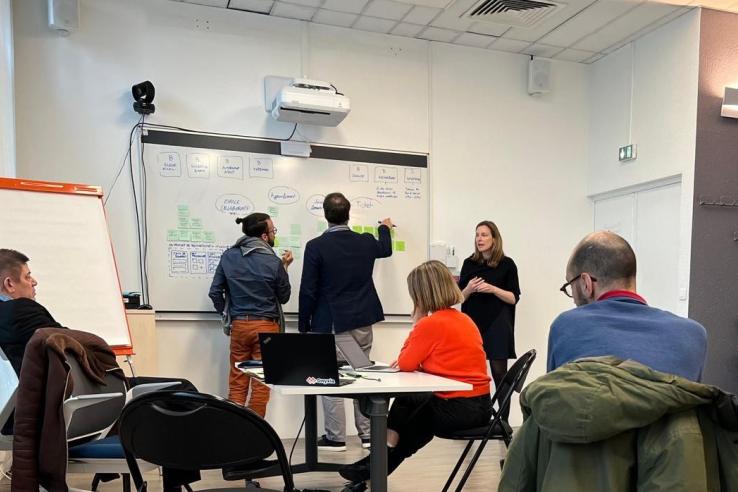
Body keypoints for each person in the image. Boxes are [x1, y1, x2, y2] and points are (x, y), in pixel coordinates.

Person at [339, 260, 493, 483]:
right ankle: (380, 460)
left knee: (415, 411)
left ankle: (381, 459)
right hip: (481, 405)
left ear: (421, 294)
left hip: (461, 409)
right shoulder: (463, 319)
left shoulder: (430, 324)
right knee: (411, 401)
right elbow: (437, 362)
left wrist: (418, 320)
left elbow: (406, 363)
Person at [299, 192, 393, 451]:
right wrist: (384, 228)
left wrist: (304, 323)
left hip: (331, 321)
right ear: (348, 214)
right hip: (362, 318)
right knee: (361, 372)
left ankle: (336, 437)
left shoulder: (316, 246)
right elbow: (385, 248)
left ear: (326, 215)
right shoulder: (365, 242)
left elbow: (308, 289)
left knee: (331, 376)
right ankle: (366, 435)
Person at [548, 231, 707, 381]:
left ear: (586, 283)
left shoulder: (566, 326)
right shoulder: (693, 334)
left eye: (571, 285)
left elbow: (550, 402)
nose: (573, 299)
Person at [209, 212, 292, 417]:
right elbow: (284, 297)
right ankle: (256, 438)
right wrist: (284, 268)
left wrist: (227, 314)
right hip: (266, 329)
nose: (274, 235)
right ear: (264, 236)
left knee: (237, 381)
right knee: (261, 385)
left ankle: (236, 433)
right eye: (273, 231)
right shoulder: (273, 261)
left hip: (239, 326)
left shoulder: (229, 255)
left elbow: (214, 292)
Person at [458, 220, 520, 418]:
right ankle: (474, 417)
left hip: (498, 324)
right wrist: (469, 288)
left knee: (499, 373)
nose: (479, 239)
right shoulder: (469, 263)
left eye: (484, 235)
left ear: (494, 239)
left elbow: (513, 298)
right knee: (472, 373)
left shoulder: (507, 264)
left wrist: (492, 289)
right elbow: (459, 298)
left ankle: (503, 421)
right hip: (471, 324)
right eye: (477, 235)